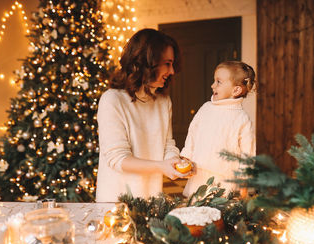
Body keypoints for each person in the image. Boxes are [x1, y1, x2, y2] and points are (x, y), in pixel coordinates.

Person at [96, 28, 189, 202]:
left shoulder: (163, 101)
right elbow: (119, 159)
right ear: (148, 62)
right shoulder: (112, 100)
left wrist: (174, 162)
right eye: (167, 63)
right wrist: (161, 167)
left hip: (150, 198)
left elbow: (168, 145)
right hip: (116, 201)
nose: (172, 71)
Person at [180, 61, 256, 197]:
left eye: (218, 82)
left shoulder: (242, 118)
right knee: (197, 212)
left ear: (236, 90)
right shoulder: (206, 108)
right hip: (199, 172)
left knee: (221, 213)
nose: (212, 85)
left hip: (225, 179)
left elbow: (247, 153)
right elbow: (193, 133)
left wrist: (244, 180)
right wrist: (187, 156)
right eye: (214, 81)